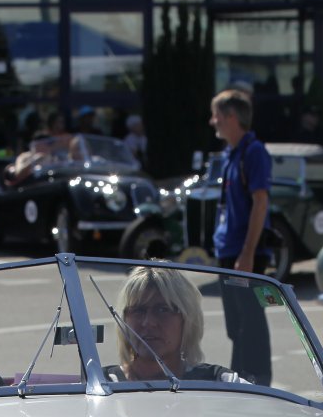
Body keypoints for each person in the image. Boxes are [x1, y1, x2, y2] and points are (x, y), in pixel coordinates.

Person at [208, 88, 274, 384]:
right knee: (236, 325)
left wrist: (248, 253)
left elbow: (260, 203)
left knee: (251, 318)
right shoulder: (230, 154)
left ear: (232, 117)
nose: (213, 122)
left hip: (245, 253)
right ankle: (239, 378)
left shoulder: (254, 151)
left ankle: (258, 379)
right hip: (228, 250)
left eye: (217, 115)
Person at [108, 265, 245, 383]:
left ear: (187, 319)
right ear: (124, 319)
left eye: (163, 310)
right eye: (138, 310)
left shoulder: (221, 383)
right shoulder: (103, 385)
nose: (149, 322)